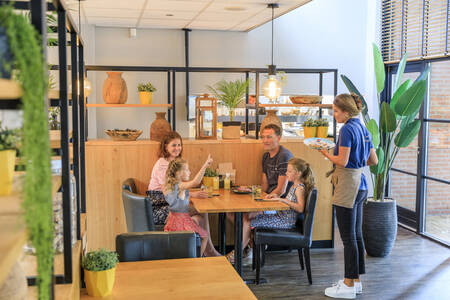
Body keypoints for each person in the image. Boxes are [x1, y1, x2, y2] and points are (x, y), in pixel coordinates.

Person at [319, 93, 378, 299]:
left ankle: (347, 285)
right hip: (361, 184)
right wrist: (354, 160)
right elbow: (374, 160)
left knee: (348, 237)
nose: (334, 114)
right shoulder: (363, 128)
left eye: (336, 111)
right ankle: (356, 282)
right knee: (356, 235)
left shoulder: (346, 129)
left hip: (347, 186)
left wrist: (325, 152)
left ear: (346, 111)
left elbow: (342, 161)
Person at [226, 124, 293, 262]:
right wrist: (253, 192)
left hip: (280, 205)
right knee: (231, 214)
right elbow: (264, 185)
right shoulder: (266, 157)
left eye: (269, 137)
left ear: (279, 138)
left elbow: (280, 190)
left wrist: (261, 205)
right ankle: (250, 244)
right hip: (268, 199)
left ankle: (237, 255)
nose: (265, 140)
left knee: (246, 218)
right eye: (263, 137)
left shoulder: (284, 156)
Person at [147, 131, 221, 256]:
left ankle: (203, 250)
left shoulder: (175, 162)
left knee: (200, 215)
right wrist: (192, 194)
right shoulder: (162, 164)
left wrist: (193, 195)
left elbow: (177, 189)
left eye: (179, 145)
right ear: (166, 146)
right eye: (174, 145)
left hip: (165, 204)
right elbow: (169, 192)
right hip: (158, 208)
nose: (177, 148)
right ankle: (208, 251)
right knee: (200, 212)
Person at [243, 158, 314, 239]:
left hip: (285, 222)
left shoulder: (299, 188)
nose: (286, 173)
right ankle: (250, 248)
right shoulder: (294, 185)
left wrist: (282, 200)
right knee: (248, 217)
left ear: (298, 174)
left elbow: (300, 208)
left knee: (247, 222)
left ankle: (239, 251)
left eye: (289, 171)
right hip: (280, 217)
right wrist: (277, 197)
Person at [163, 155, 213, 256]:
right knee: (205, 236)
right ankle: (196, 260)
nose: (189, 172)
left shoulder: (170, 185)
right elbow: (196, 182)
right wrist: (205, 166)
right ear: (178, 173)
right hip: (181, 221)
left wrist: (193, 194)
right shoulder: (180, 185)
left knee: (199, 222)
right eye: (187, 170)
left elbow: (176, 200)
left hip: (173, 219)